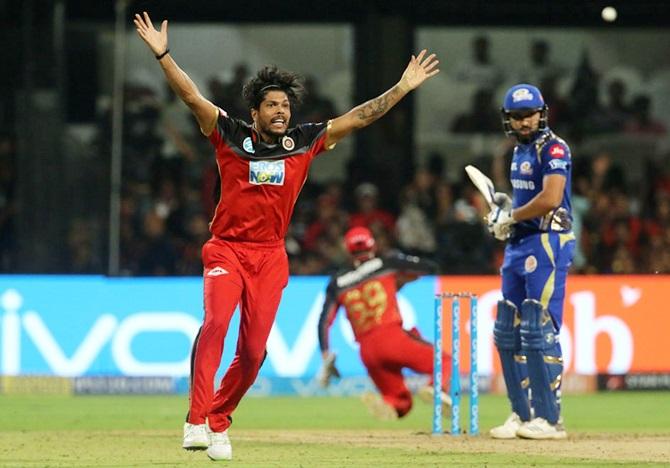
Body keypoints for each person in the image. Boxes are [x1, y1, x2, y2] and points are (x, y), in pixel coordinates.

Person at [133, 11, 440, 461]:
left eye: (286, 105)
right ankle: (196, 419)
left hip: (271, 257)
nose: (281, 112)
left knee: (254, 353)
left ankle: (219, 420)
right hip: (227, 250)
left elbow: (359, 117)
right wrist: (163, 55)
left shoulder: (305, 141)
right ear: (254, 112)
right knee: (217, 323)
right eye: (272, 106)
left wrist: (402, 88)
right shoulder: (229, 133)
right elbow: (189, 95)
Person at [486, 84, 575, 439]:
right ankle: (521, 414)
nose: (524, 123)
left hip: (548, 243)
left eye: (530, 115)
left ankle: (551, 419)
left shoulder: (554, 148)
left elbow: (551, 198)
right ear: (508, 119)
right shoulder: (518, 152)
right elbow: (522, 200)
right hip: (519, 243)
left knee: (539, 328)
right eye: (517, 117)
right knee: (510, 329)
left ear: (542, 113)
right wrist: (504, 215)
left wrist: (510, 216)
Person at [316, 226, 450, 420]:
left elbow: (323, 322)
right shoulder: (387, 264)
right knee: (444, 362)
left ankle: (391, 403)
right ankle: (435, 388)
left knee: (401, 402)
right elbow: (429, 267)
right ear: (373, 245)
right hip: (391, 336)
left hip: (367, 351)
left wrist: (325, 353)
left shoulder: (336, 283)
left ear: (348, 250)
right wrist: (402, 270)